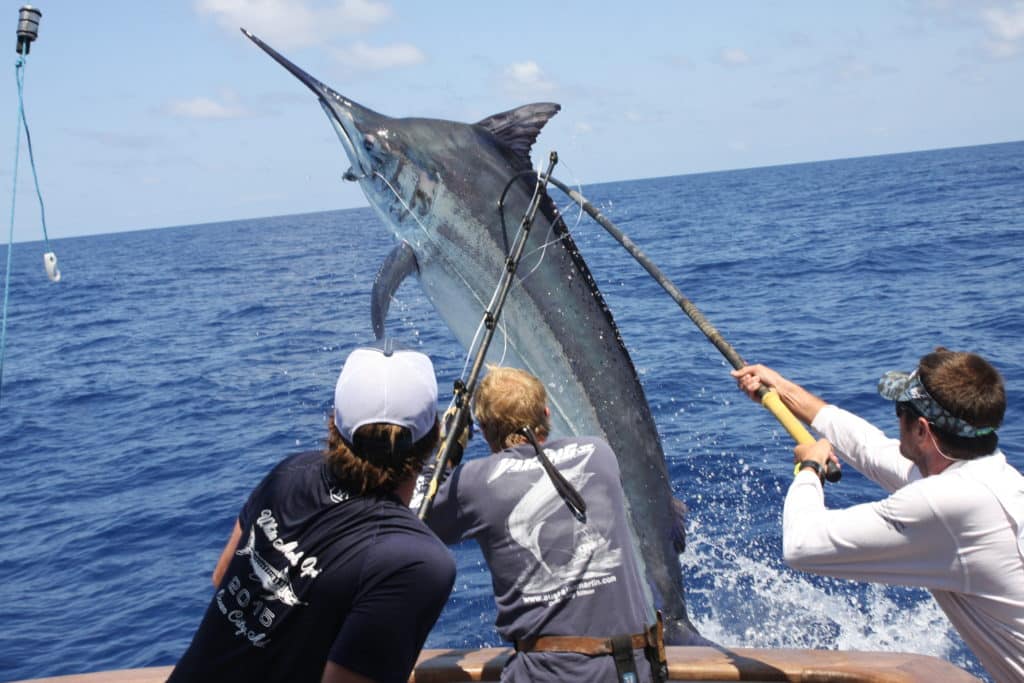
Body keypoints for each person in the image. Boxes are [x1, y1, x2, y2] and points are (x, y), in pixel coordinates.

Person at [169, 341, 456, 683]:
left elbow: (223, 577)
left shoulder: (289, 473)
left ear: (334, 422)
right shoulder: (421, 563)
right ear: (435, 435)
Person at [732, 347, 1023, 682]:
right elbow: (870, 448)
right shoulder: (987, 478)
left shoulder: (946, 504)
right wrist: (782, 389)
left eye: (901, 410)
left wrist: (809, 468)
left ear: (922, 431)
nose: (896, 418)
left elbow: (800, 546)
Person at [423, 366, 666, 683]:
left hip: (545, 674)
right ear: (546, 413)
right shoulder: (600, 453)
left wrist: (446, 450)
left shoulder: (475, 482)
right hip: (630, 670)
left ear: (484, 431)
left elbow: (419, 517)